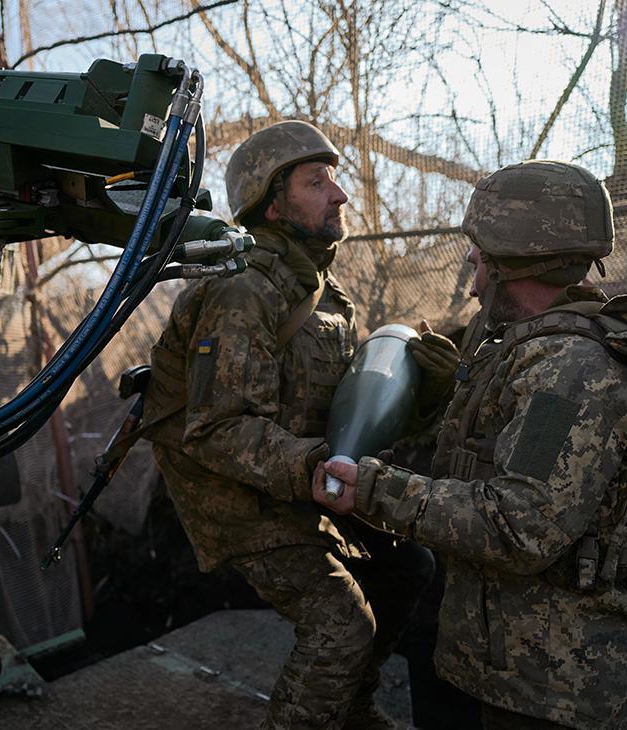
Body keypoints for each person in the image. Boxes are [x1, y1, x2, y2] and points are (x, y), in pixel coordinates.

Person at [313, 160, 627, 730]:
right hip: (514, 665)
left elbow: (521, 524)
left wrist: (374, 490)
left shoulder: (571, 372)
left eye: (481, 246)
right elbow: (486, 467)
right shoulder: (532, 352)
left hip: (548, 686)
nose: (471, 258)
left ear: (517, 260)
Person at [143, 120, 449, 729]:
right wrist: (311, 465)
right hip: (239, 497)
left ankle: (350, 709)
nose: (339, 195)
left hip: (297, 481)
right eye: (318, 182)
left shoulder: (324, 294)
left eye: (333, 181)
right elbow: (219, 430)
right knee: (340, 624)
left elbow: (348, 416)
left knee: (408, 567)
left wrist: (425, 395)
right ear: (272, 202)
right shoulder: (242, 292)